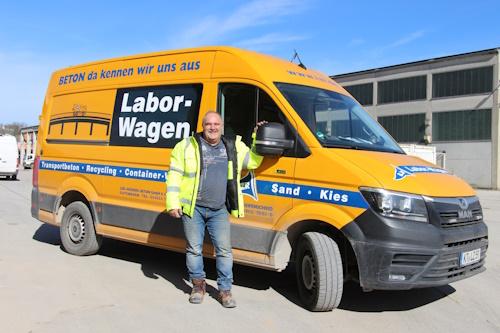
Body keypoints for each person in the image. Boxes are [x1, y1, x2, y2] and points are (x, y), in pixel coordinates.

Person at [166, 110, 265, 308]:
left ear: (222, 127)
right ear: (203, 127)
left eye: (216, 124)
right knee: (194, 250)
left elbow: (252, 160)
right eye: (208, 124)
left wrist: (258, 136)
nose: (212, 128)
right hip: (193, 208)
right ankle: (197, 285)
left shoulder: (232, 145)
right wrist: (172, 202)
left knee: (224, 251)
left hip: (219, 209)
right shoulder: (185, 146)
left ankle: (225, 289)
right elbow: (174, 175)